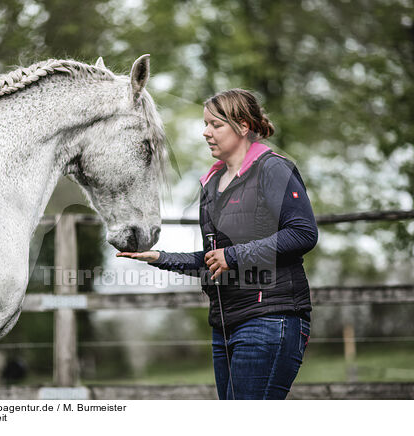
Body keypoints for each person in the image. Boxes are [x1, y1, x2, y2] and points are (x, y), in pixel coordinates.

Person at [117, 89, 318, 400]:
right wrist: (159, 257)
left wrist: (234, 255)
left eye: (215, 124)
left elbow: (303, 233)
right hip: (225, 323)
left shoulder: (273, 168)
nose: (205, 132)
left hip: (271, 317)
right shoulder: (210, 183)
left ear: (243, 126)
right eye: (205, 124)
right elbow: (214, 258)